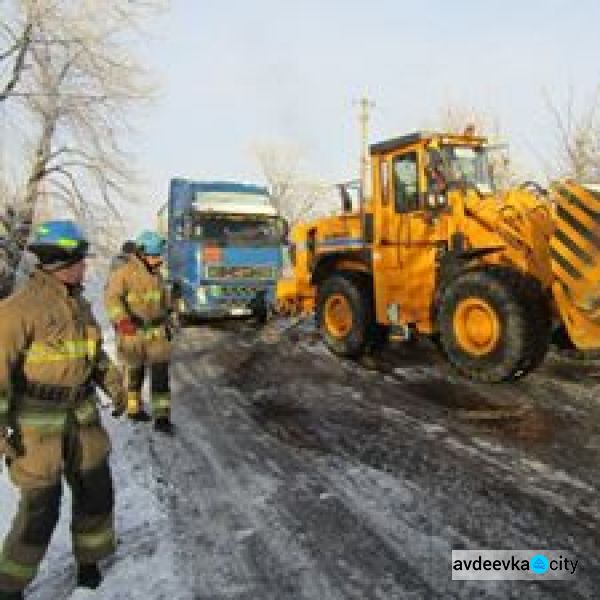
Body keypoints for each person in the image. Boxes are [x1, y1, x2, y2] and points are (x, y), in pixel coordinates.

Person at [0, 220, 127, 599]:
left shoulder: (79, 305)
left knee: (96, 492)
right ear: (58, 262)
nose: (85, 268)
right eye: (79, 262)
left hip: (83, 417)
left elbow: (94, 355)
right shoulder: (17, 311)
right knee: (41, 508)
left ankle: (88, 563)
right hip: (38, 429)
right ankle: (9, 585)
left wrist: (116, 386)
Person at [104, 231, 173, 434]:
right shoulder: (123, 274)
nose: (158, 259)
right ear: (141, 254)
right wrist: (122, 321)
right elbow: (112, 299)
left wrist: (169, 316)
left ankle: (162, 417)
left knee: (161, 378)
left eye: (159, 255)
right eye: (154, 255)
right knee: (134, 374)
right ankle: (133, 409)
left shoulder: (157, 275)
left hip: (157, 334)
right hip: (133, 333)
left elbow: (164, 301)